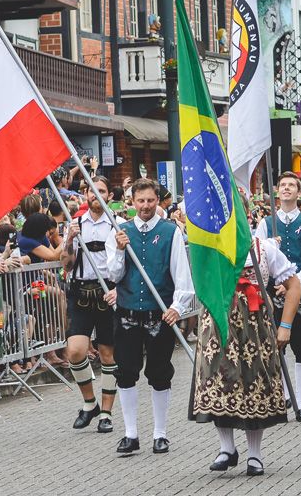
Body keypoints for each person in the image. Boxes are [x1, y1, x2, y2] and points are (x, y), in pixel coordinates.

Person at [190, 235, 301, 476]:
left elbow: (295, 285)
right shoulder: (211, 244)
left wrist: (286, 326)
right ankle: (226, 448)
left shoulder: (263, 247)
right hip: (219, 317)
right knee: (218, 381)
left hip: (255, 322)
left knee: (255, 380)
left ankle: (255, 454)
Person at [110, 178, 194, 455]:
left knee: (159, 373)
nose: (145, 206)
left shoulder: (171, 232)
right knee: (125, 372)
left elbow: (181, 275)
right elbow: (113, 275)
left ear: (158, 201)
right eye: (140, 201)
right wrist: (120, 250)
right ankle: (130, 434)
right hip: (127, 312)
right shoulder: (120, 232)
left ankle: (160, 433)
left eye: (150, 200)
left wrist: (177, 306)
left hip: (160, 314)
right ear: (132, 203)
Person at [255, 171, 301, 422]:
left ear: (299, 192)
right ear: (277, 191)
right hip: (273, 294)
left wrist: (294, 283)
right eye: (282, 185)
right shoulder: (265, 223)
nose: (286, 189)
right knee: (276, 347)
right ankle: (283, 397)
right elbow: (258, 258)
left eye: (291, 185)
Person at [60, 175, 118, 433]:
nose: (95, 195)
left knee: (108, 355)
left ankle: (106, 413)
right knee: (75, 351)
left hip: (108, 294)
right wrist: (70, 240)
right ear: (85, 195)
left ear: (109, 196)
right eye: (91, 191)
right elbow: (66, 264)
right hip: (81, 293)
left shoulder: (117, 225)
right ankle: (89, 403)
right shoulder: (76, 223)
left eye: (101, 191)